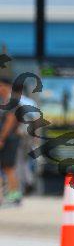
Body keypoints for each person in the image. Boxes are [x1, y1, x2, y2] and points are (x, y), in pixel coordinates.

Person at [0, 77, 22, 205]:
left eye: (1, 86)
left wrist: (1, 138)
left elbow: (10, 121)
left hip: (9, 139)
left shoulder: (12, 102)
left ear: (8, 87)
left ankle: (14, 196)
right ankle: (8, 195)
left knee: (9, 168)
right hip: (6, 139)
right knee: (6, 167)